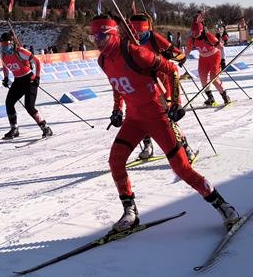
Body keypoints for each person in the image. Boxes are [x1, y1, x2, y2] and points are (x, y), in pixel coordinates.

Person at [90, 14, 240, 233]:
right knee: (115, 161)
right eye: (93, 37)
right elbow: (117, 85)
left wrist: (175, 103)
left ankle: (223, 206)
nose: (97, 42)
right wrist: (116, 109)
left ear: (113, 34)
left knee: (182, 168)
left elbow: (172, 69)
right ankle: (130, 212)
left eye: (101, 36)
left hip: (157, 116)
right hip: (134, 119)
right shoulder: (103, 60)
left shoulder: (136, 53)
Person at [128, 13, 186, 161]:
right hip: (141, 84)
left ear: (147, 29)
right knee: (139, 116)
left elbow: (180, 55)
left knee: (167, 117)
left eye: (141, 33)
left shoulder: (154, 38)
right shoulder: (127, 41)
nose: (138, 37)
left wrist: (169, 55)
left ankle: (184, 147)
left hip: (161, 83)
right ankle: (147, 146)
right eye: (135, 33)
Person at [0, 31, 53, 140]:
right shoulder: (3, 55)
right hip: (18, 81)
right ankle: (14, 128)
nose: (3, 47)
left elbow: (37, 61)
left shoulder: (20, 52)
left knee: (29, 106)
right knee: (9, 103)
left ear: (11, 43)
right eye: (1, 44)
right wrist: (6, 78)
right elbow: (5, 66)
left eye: (5, 44)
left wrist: (37, 77)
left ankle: (45, 127)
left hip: (29, 80)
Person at [185, 15, 230, 106]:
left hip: (215, 56)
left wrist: (223, 60)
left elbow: (221, 47)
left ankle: (225, 96)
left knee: (214, 78)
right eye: (193, 32)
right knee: (202, 78)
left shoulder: (208, 36)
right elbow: (188, 50)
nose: (194, 34)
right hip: (203, 59)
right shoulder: (191, 39)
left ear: (201, 31)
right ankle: (210, 98)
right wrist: (183, 59)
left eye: (196, 32)